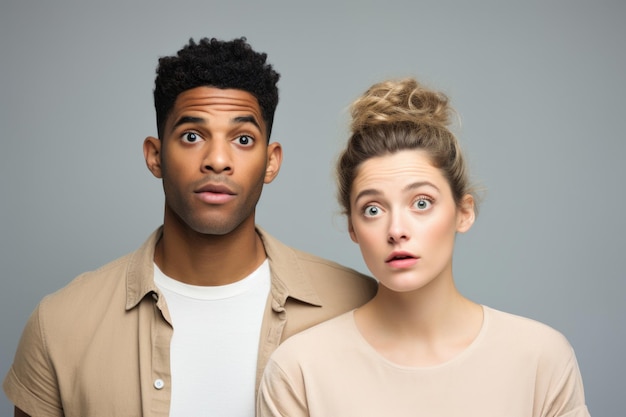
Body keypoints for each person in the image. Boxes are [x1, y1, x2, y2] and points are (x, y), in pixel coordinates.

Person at [3, 37, 377, 417]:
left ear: (271, 162)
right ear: (155, 156)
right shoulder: (61, 324)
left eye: (243, 139)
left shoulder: (360, 307)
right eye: (192, 136)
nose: (217, 160)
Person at [257, 78, 590, 417]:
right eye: (373, 209)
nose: (397, 230)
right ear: (353, 228)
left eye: (421, 203)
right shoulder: (299, 370)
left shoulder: (540, 359)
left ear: (464, 212)